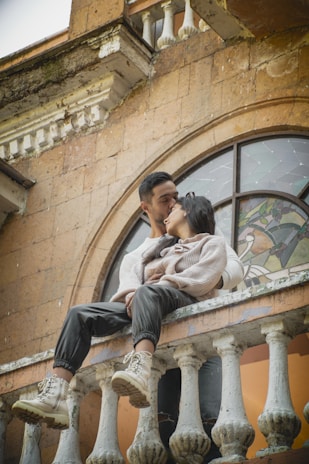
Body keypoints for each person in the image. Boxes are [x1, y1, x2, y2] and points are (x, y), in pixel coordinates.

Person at [12, 173, 243, 463]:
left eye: (176, 197)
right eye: (165, 199)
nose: (173, 203)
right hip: (154, 331)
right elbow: (131, 294)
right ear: (146, 207)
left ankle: (140, 365)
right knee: (79, 314)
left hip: (196, 327)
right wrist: (147, 290)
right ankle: (55, 392)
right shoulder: (138, 256)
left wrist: (184, 281)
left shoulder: (204, 239)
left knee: (211, 417)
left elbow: (231, 269)